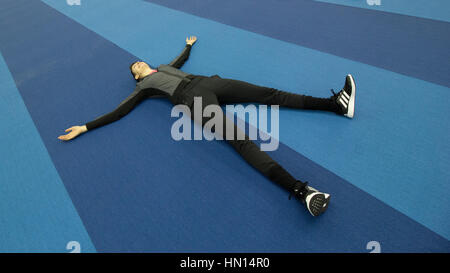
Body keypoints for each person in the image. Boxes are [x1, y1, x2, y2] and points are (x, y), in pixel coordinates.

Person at [58, 36, 356, 217]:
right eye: (134, 69)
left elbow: (178, 60)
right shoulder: (144, 87)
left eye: (137, 62)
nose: (136, 65)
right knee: (242, 142)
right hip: (192, 101)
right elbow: (119, 111)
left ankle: (335, 105)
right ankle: (302, 192)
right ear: (137, 78)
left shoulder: (162, 67)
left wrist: (187, 47)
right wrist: (85, 127)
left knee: (269, 95)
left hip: (208, 82)